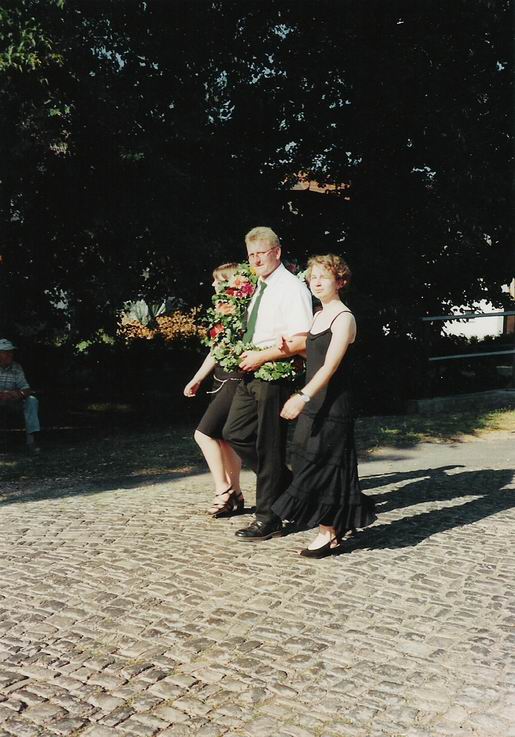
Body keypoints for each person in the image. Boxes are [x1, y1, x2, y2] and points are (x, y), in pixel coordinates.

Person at [272, 254, 376, 558]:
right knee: (304, 458)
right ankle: (340, 519)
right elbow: (317, 355)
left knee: (323, 465)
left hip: (333, 404)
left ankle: (328, 532)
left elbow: (331, 365)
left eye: (323, 277)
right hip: (315, 399)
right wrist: (292, 351)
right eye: (312, 277)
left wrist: (302, 396)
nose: (316, 282)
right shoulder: (318, 315)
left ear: (340, 281)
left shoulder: (344, 318)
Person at [223, 226, 313, 541]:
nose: (256, 260)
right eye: (251, 255)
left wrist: (263, 357)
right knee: (234, 432)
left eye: (261, 253)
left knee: (269, 446)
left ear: (277, 252)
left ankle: (268, 518)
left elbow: (302, 340)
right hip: (251, 371)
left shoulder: (291, 288)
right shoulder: (257, 287)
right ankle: (291, 488)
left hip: (274, 373)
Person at [184, 263, 244, 516]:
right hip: (221, 379)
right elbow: (215, 351)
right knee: (223, 439)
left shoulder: (241, 312)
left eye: (218, 280)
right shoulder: (223, 311)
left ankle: (223, 489)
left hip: (234, 379)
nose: (213, 284)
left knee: (203, 434)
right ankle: (236, 493)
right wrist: (197, 378)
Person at [0, 339, 41, 451]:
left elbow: (26, 389)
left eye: (11, 352)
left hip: (13, 401)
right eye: (6, 352)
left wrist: (17, 394)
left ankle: (31, 441)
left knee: (32, 400)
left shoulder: (16, 367)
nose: (10, 354)